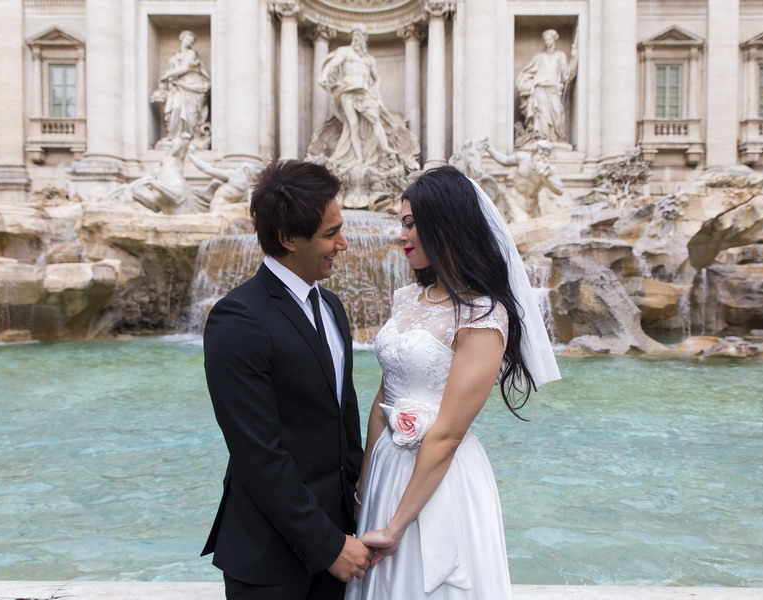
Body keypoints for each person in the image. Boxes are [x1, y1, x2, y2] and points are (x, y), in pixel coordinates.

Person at [345, 165, 561, 599]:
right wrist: (364, 484)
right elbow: (384, 395)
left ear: (445, 224)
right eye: (400, 224)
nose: (400, 235)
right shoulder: (405, 298)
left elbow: (447, 434)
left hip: (442, 475)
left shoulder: (483, 314)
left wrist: (394, 527)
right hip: (388, 466)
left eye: (410, 223)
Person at [202, 160, 371, 599]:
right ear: (288, 239)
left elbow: (343, 418)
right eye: (331, 234)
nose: (344, 244)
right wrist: (328, 545)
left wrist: (355, 520)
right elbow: (257, 453)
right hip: (270, 557)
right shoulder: (237, 317)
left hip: (339, 543)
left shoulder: (332, 306)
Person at [316, 24, 403, 169]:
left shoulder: (369, 59)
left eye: (360, 36)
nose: (357, 39)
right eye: (355, 35)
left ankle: (385, 147)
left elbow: (377, 78)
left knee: (375, 118)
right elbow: (332, 64)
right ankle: (359, 159)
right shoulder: (345, 52)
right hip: (347, 89)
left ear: (365, 39)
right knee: (353, 124)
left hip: (364, 91)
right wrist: (324, 75)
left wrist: (375, 88)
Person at [516, 28, 578, 144]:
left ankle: (556, 138)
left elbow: (566, 75)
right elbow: (526, 73)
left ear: (554, 40)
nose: (547, 42)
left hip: (554, 89)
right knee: (542, 115)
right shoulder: (538, 57)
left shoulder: (560, 56)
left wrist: (574, 59)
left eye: (549, 39)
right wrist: (526, 84)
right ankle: (541, 140)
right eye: (545, 40)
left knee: (557, 112)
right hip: (539, 88)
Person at [486, 140, 566, 221]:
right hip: (516, 204)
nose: (543, 157)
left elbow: (560, 190)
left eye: (546, 155)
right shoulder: (523, 159)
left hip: (533, 208)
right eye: (541, 154)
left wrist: (546, 178)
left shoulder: (549, 170)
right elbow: (504, 160)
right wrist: (489, 149)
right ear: (534, 152)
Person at [154, 30, 211, 143]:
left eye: (191, 40)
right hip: (178, 85)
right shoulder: (176, 55)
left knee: (191, 112)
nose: (188, 42)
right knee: (176, 107)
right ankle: (173, 135)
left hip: (192, 84)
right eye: (187, 39)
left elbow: (184, 68)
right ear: (181, 39)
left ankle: (189, 136)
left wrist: (167, 75)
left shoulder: (191, 53)